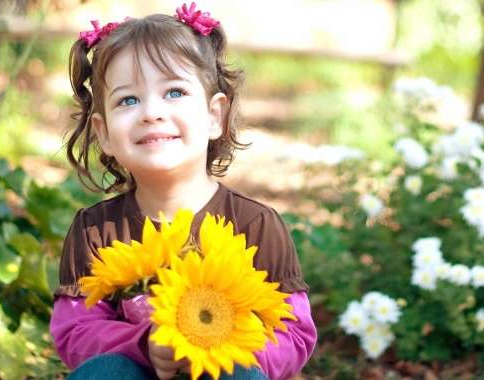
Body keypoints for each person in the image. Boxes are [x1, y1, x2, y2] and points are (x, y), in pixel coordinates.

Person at [49, 3, 317, 380]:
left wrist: (223, 345)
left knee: (239, 372)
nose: (151, 112)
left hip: (223, 369)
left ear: (214, 116)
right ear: (104, 132)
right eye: (128, 100)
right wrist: (146, 344)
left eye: (174, 92)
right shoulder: (96, 230)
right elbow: (75, 330)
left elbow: (295, 332)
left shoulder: (256, 225)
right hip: (137, 373)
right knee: (105, 371)